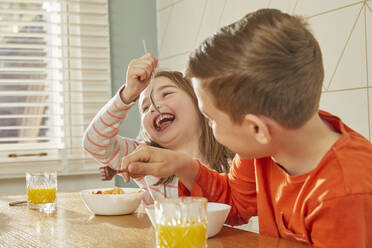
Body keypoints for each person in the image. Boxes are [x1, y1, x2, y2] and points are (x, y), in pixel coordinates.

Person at [120, 8, 372, 247]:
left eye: (211, 119)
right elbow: (235, 202)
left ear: (257, 129)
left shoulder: (346, 194)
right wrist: (179, 164)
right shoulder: (268, 143)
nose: (209, 125)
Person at [82, 54, 233, 204]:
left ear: (198, 100)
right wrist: (127, 94)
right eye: (145, 108)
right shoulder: (145, 158)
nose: (154, 107)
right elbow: (94, 143)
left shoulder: (233, 158)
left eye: (166, 94)